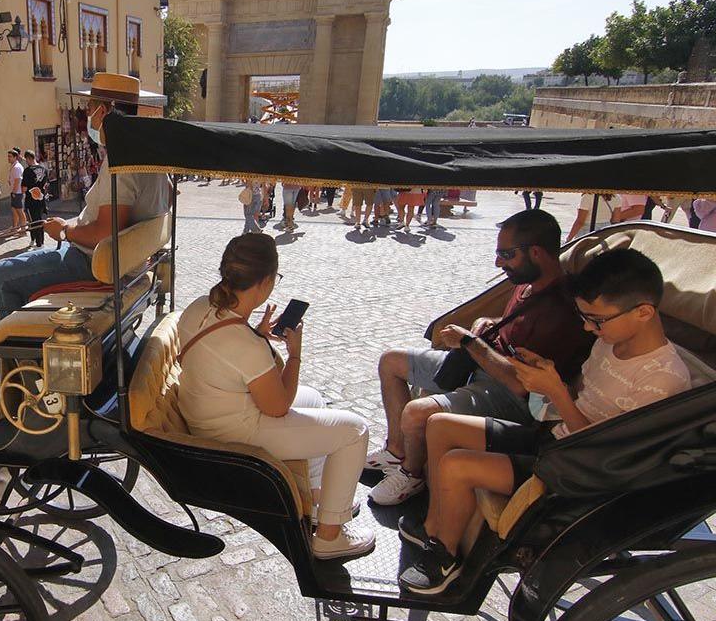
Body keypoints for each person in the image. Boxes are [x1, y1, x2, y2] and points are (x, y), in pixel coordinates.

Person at [399, 249, 691, 595]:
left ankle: (446, 558)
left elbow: (608, 453)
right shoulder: (610, 343)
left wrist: (557, 392)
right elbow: (584, 398)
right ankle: (437, 527)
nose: (587, 327)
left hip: (578, 472)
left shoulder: (662, 379)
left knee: (456, 465)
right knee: (440, 424)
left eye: (596, 320)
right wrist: (547, 382)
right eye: (584, 317)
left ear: (643, 312)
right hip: (555, 440)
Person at [367, 210, 595, 505]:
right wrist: (486, 323)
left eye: (506, 254)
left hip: (510, 396)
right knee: (391, 361)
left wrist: (470, 342)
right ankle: (397, 451)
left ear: (536, 252)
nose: (498, 262)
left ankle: (412, 475)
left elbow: (520, 385)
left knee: (415, 413)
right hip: (484, 366)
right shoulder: (526, 286)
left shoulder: (561, 311)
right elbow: (513, 325)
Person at [177, 234, 373, 559]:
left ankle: (319, 497)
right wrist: (294, 354)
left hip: (209, 410)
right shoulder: (245, 344)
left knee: (312, 398)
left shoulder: (201, 305)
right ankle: (329, 536)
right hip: (233, 430)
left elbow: (226, 352)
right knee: (355, 432)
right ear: (266, 280)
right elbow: (278, 406)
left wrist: (257, 334)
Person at [0, 73, 171, 319]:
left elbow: (106, 233)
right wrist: (74, 224)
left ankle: (18, 352)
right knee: (24, 261)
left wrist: (65, 231)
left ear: (104, 111)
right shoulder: (151, 155)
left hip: (92, 263)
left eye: (89, 107)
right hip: (123, 260)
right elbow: (163, 198)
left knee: (0, 275)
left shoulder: (121, 160)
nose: (86, 115)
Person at [22, 150, 50, 248]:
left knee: (34, 222)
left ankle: (39, 243)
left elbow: (24, 188)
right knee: (39, 220)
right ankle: (37, 241)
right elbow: (46, 184)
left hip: (31, 200)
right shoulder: (44, 169)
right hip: (41, 199)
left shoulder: (28, 170)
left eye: (26, 160)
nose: (26, 162)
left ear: (29, 158)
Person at [6, 147, 27, 232]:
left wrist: (14, 192)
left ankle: (23, 229)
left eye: (10, 156)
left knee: (20, 212)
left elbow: (18, 180)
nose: (8, 158)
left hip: (17, 193)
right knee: (14, 211)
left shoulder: (17, 167)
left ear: (15, 157)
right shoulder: (14, 166)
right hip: (14, 192)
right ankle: (15, 228)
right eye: (8, 156)